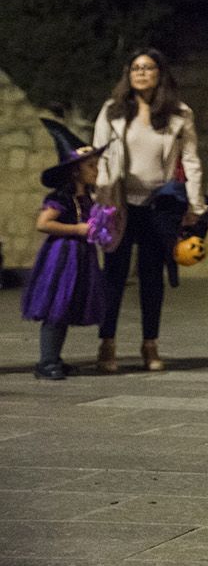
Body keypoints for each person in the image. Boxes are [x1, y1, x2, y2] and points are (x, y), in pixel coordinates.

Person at [92, 48, 207, 374]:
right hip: (120, 203)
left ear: (160, 73)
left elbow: (191, 160)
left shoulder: (179, 113)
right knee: (113, 275)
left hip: (159, 206)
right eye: (136, 68)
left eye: (148, 67)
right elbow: (101, 156)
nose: (141, 73)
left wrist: (195, 204)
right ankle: (107, 342)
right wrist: (100, 199)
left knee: (152, 277)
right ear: (128, 74)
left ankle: (150, 344)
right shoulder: (112, 111)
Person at [23, 119, 113, 379]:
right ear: (75, 171)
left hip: (80, 257)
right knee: (56, 306)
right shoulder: (60, 198)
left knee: (67, 306)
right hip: (62, 258)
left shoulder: (85, 198)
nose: (96, 170)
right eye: (90, 166)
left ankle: (55, 358)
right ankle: (46, 361)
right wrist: (78, 230)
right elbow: (44, 223)